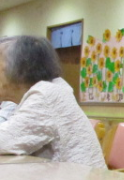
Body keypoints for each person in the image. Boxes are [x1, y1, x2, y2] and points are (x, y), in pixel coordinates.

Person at [0, 36, 105, 168]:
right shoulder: (48, 90)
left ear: (21, 70)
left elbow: (4, 140)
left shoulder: (46, 94)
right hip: (64, 177)